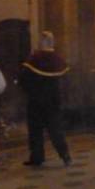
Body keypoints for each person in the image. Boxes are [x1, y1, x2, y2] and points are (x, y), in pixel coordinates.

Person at [19, 31, 71, 167]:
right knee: (55, 129)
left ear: (42, 42)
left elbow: (24, 79)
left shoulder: (34, 59)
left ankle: (37, 157)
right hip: (54, 101)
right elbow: (66, 82)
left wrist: (29, 91)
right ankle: (65, 155)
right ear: (52, 42)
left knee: (36, 130)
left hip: (36, 100)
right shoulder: (59, 60)